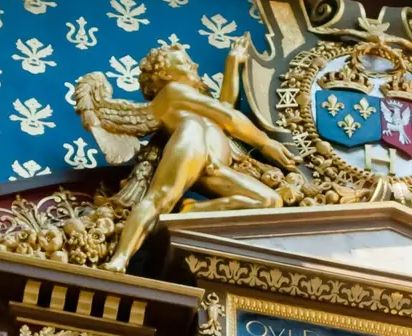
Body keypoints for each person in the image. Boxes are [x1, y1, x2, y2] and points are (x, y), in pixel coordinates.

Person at [74, 39, 299, 270]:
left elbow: (224, 107)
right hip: (193, 142)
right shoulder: (172, 93)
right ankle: (120, 258)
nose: (195, 66)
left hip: (215, 164)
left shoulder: (194, 100)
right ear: (165, 73)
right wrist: (265, 143)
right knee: (159, 199)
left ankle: (192, 210)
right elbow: (226, 116)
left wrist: (232, 63)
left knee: (269, 200)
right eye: (185, 63)